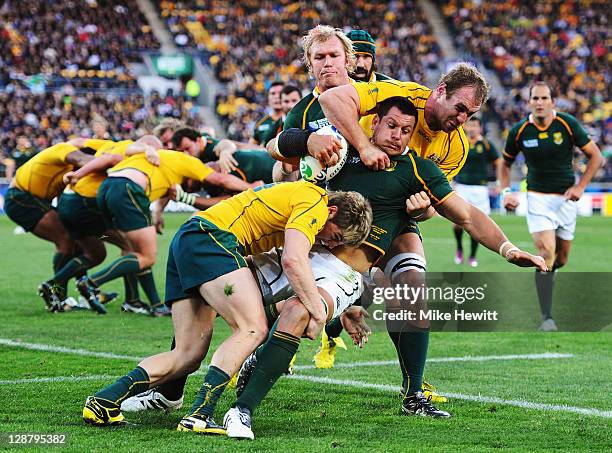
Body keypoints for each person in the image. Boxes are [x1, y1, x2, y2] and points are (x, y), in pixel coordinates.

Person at [223, 96, 546, 437]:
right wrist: (307, 140)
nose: (398, 136)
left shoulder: (417, 170)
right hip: (299, 246)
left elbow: (467, 215)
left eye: (406, 130)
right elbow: (275, 148)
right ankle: (170, 387)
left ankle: (412, 393)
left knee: (397, 296)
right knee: (218, 282)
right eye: (391, 126)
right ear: (374, 123)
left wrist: (509, 250)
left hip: (345, 269)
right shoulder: (343, 151)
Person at [272, 58, 489, 408]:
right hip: (346, 203)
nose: (463, 119)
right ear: (441, 91)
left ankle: (414, 390)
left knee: (411, 292)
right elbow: (329, 105)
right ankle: (255, 353)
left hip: (397, 216)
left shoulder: (456, 145)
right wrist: (364, 146)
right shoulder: (399, 95)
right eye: (460, 108)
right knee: (290, 286)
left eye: (471, 115)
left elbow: (438, 203)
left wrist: (424, 209)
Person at [81, 181, 372, 434]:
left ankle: (104, 401)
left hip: (191, 239)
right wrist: (319, 314)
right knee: (252, 328)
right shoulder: (316, 202)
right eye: (334, 237)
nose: (326, 243)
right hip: (212, 239)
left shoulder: (301, 197)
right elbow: (293, 261)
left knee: (187, 355)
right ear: (333, 212)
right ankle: (200, 415)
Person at [67, 142, 258, 317]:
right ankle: (91, 283)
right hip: (128, 189)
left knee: (132, 251)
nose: (194, 186)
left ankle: (142, 302)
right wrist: (250, 188)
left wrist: (157, 213)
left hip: (107, 189)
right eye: (197, 183)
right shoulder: (187, 161)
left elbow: (165, 190)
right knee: (147, 256)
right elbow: (219, 179)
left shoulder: (160, 161)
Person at [500, 82, 603, 332]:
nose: (539, 102)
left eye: (544, 97)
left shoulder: (567, 124)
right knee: (546, 253)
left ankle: (548, 274)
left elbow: (596, 156)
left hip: (567, 200)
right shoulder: (520, 130)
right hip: (537, 198)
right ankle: (547, 317)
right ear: (529, 102)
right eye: (535, 98)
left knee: (561, 259)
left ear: (553, 102)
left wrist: (581, 187)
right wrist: (506, 192)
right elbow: (504, 164)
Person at [42, 137, 163, 314]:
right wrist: (148, 150)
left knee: (95, 254)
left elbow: (80, 141)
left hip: (69, 203)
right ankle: (133, 300)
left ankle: (52, 285)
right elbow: (112, 158)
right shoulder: (131, 149)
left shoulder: (108, 143)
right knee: (133, 247)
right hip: (84, 203)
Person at [4, 141, 94, 309]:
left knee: (74, 240)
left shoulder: (70, 172)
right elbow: (82, 159)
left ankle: (80, 294)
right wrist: (108, 165)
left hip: (34, 200)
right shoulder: (66, 150)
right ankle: (57, 294)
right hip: (21, 198)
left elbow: (61, 198)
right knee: (66, 240)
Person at [452, 117, 501, 267]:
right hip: (462, 187)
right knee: (457, 224)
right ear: (465, 127)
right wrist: (451, 181)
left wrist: (498, 182)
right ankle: (459, 247)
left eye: (475, 126)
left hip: (480, 189)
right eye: (470, 125)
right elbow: (452, 161)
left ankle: (472, 255)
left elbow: (498, 162)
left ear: (480, 128)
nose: (472, 128)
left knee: (476, 225)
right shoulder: (460, 142)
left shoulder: (485, 144)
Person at [251, 81, 284, 146]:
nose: (277, 96)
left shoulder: (293, 119)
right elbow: (251, 147)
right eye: (273, 93)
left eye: (280, 93)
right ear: (268, 97)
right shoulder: (260, 122)